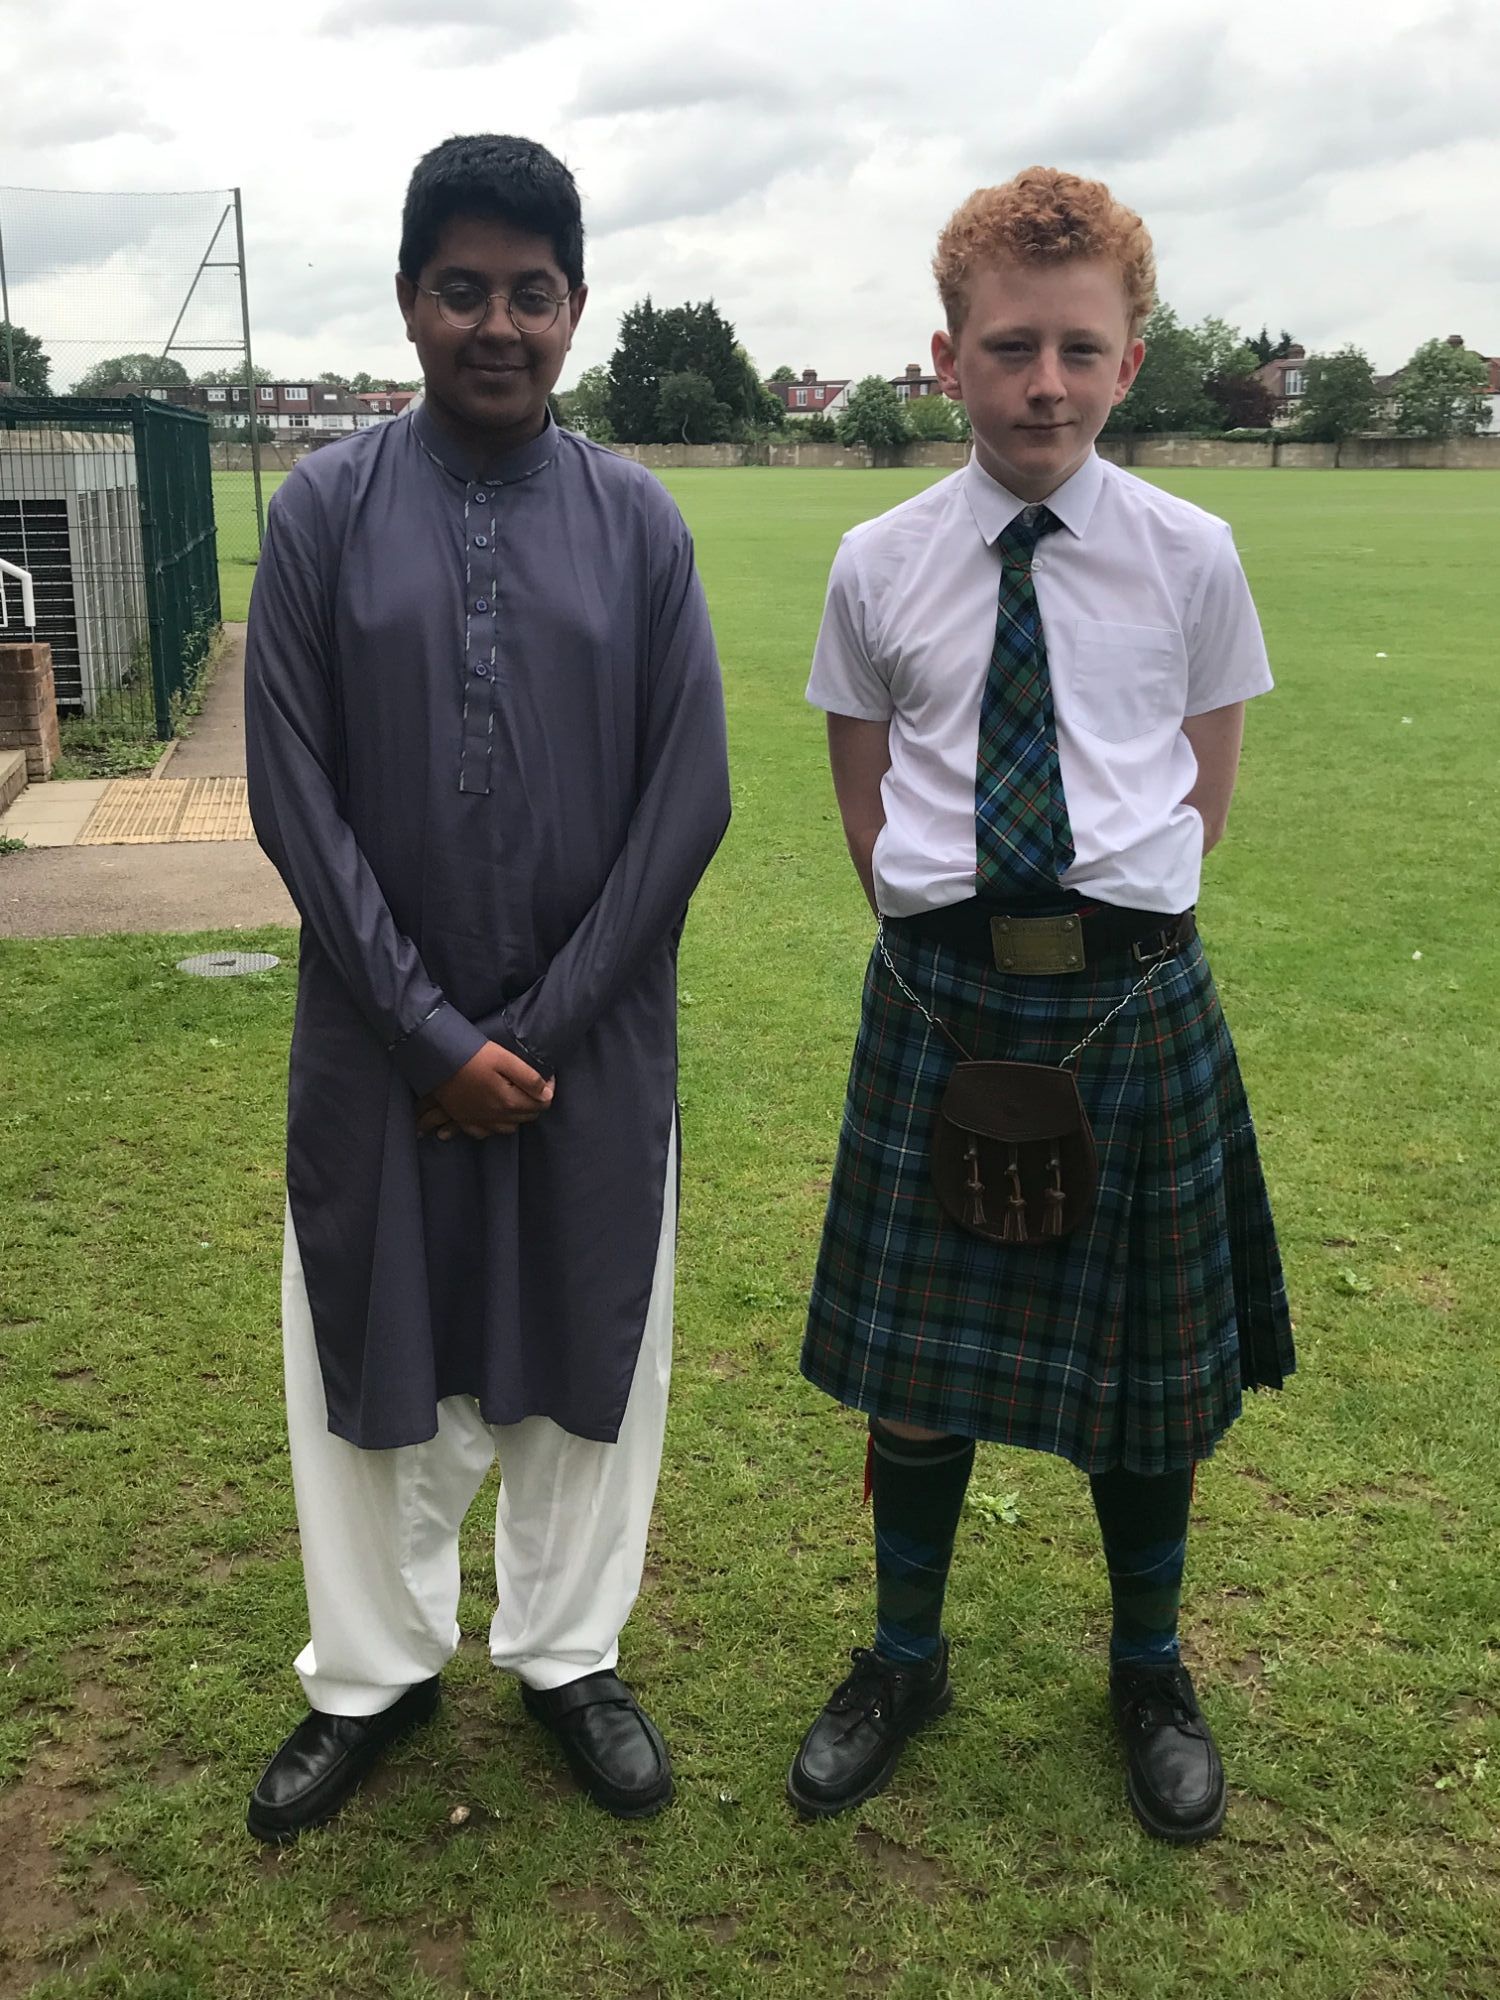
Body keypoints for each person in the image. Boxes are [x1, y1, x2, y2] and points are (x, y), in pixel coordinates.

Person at [787, 166, 1293, 1844]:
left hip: (1132, 1001)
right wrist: (955, 948)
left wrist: (1104, 942)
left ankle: (1148, 1666)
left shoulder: (1193, 554)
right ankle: (905, 1655)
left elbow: (1200, 795)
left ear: (1132, 361)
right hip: (939, 1001)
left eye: (1081, 351)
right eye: (1011, 349)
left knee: (1147, 1376)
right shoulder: (877, 562)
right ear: (948, 358)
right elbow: (865, 800)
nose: (1046, 385)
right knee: (913, 1369)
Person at [242, 133, 730, 1842]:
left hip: (589, 1056)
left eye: (531, 291)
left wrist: (544, 1030)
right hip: (379, 1054)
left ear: (576, 308)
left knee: (593, 1346)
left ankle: (567, 1655)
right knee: (366, 1352)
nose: (498, 323)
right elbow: (292, 793)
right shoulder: (320, 513)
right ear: (409, 305)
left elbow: (690, 800)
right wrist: (433, 1038)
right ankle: (368, 1673)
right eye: (465, 289)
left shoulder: (639, 520)